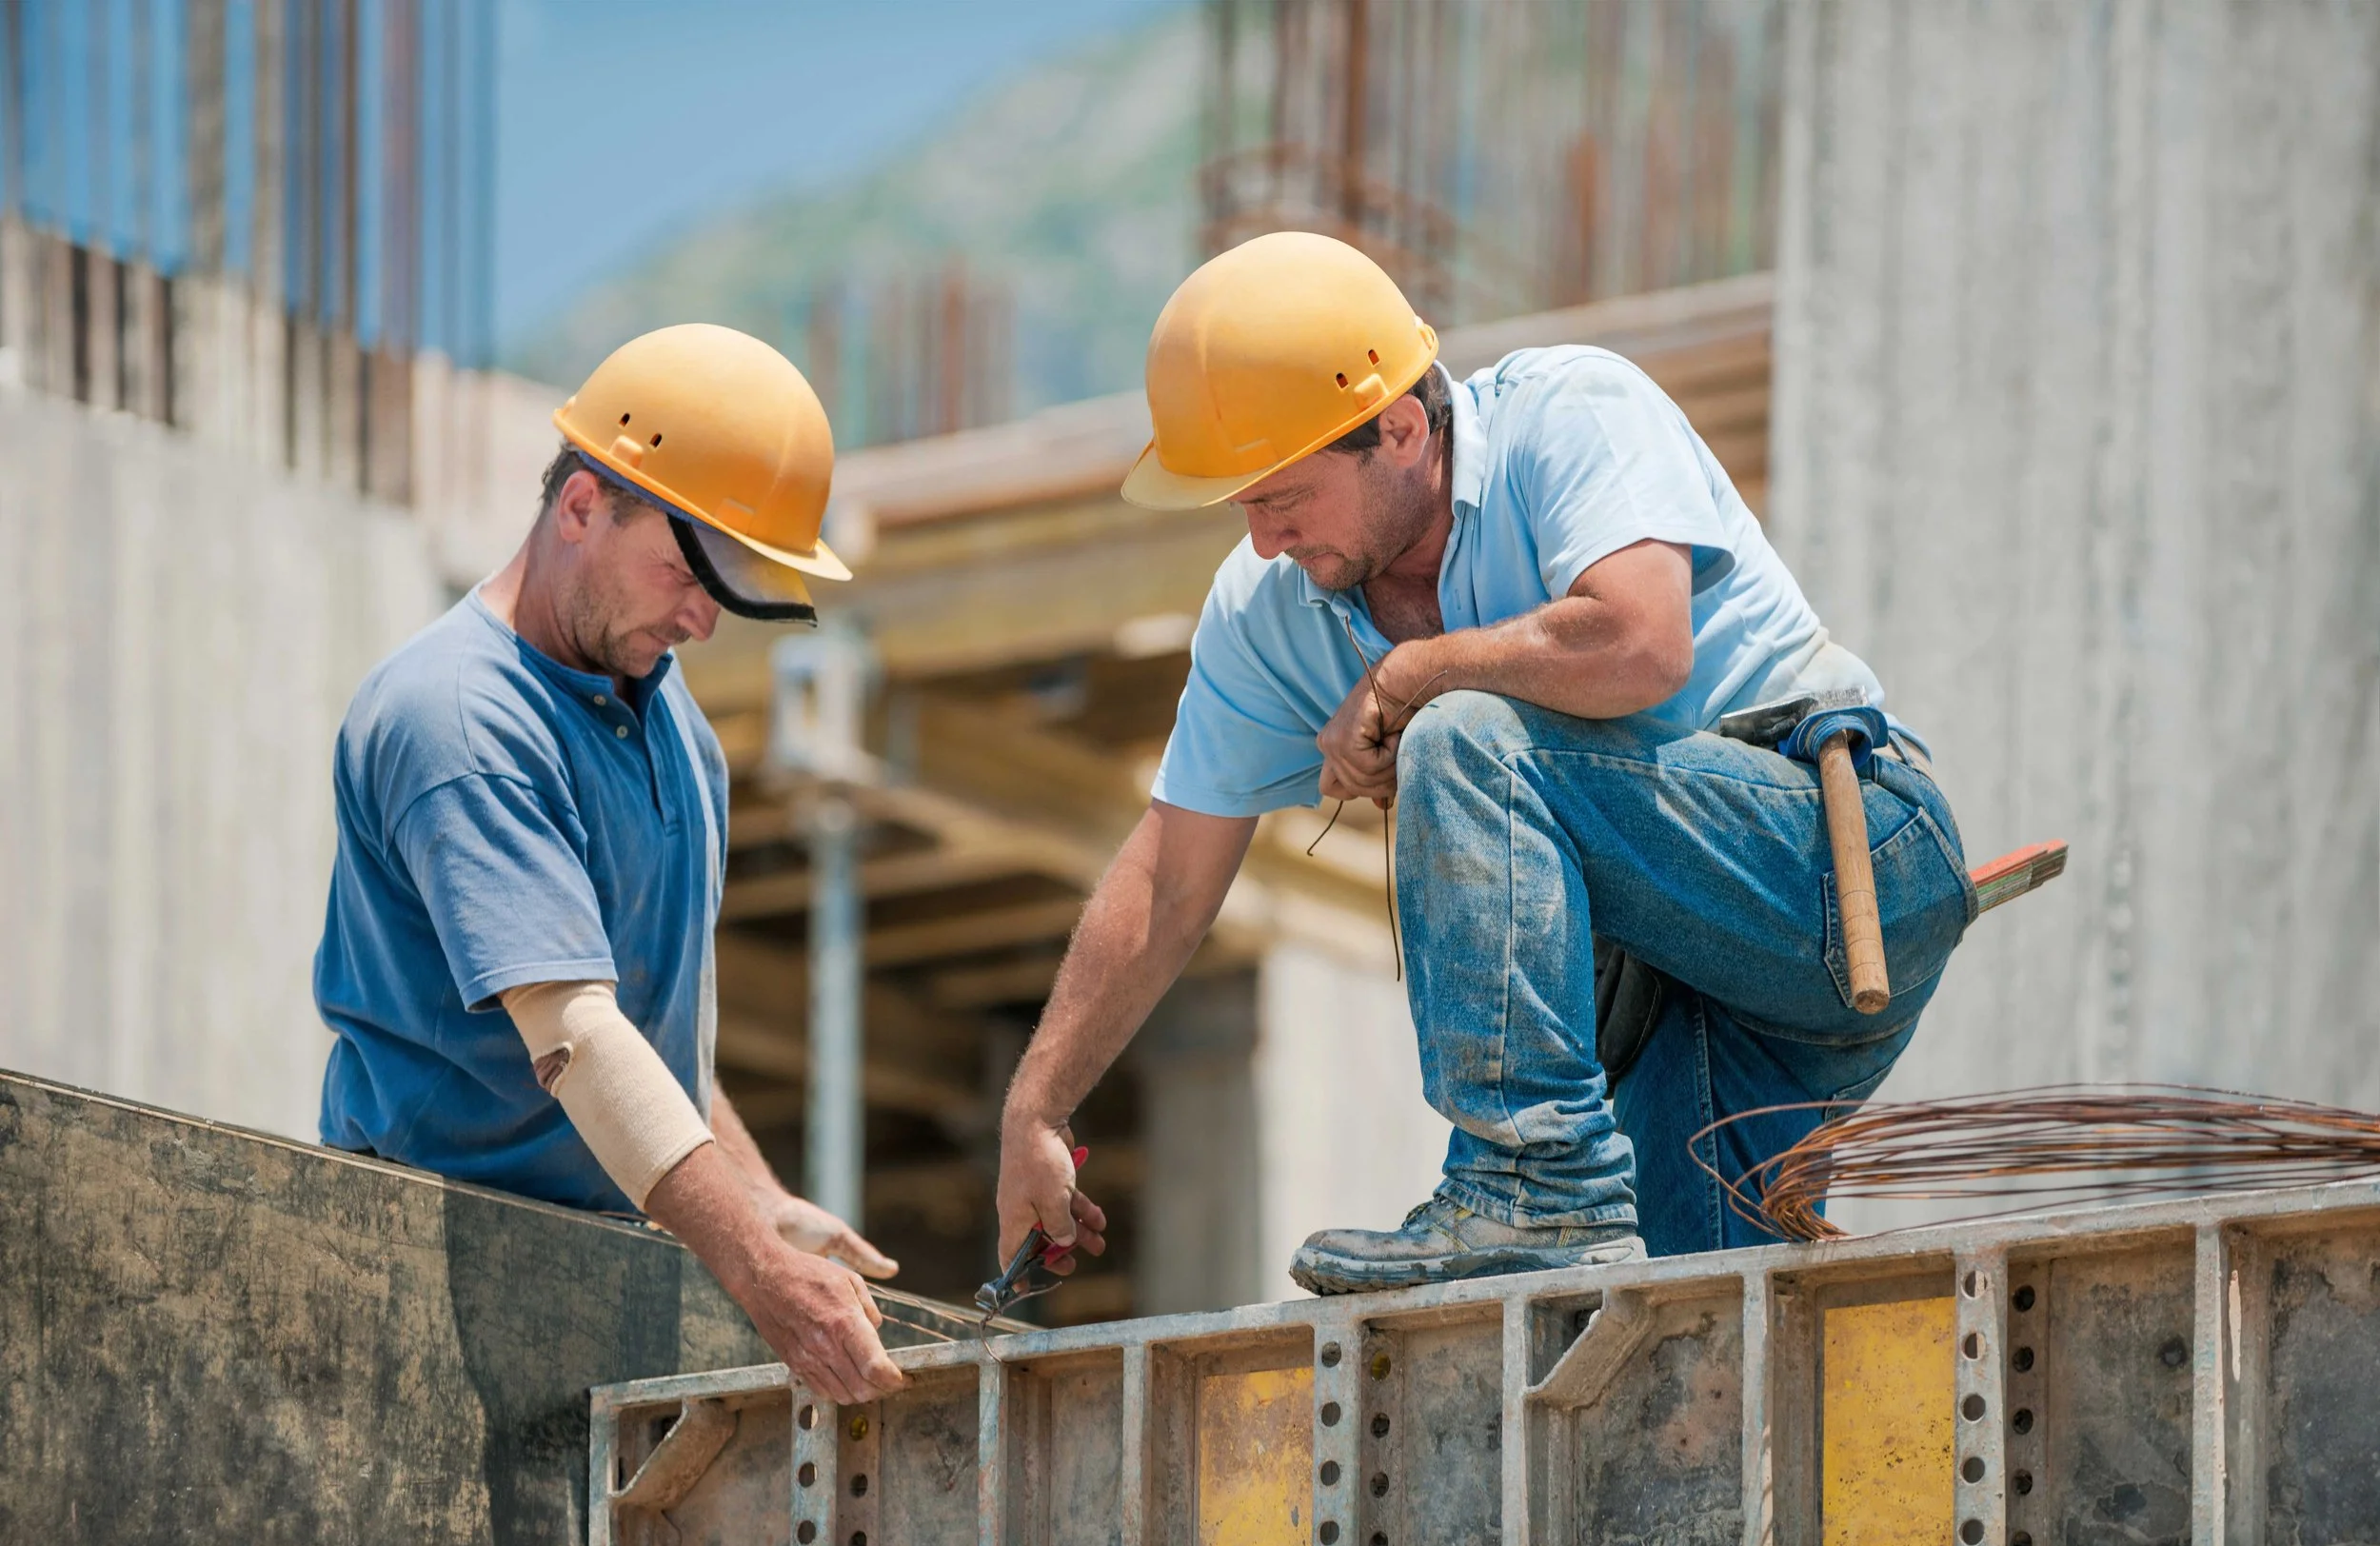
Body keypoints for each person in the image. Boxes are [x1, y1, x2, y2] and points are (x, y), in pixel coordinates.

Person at [996, 232, 1974, 1294]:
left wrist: (1415, 672)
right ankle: (1560, 1209)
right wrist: (1035, 1105)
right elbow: (1170, 874)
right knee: (1690, 1343)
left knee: (1462, 734)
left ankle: (1530, 1187)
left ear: (1403, 428)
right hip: (1685, 999)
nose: (1265, 539)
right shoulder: (1266, 610)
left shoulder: (1568, 415)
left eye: (1281, 497)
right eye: (1243, 507)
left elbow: (1643, 642)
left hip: (1842, 861)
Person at [315, 324, 911, 1401]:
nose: (703, 618)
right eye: (690, 571)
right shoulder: (459, 720)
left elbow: (636, 1026)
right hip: (427, 1279)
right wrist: (759, 1272)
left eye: (731, 588)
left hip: (587, 1272)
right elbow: (578, 1037)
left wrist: (758, 1199)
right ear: (583, 505)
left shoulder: (671, 725)